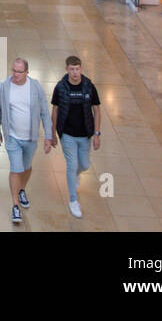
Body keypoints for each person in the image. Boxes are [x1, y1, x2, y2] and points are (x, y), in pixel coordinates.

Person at [0, 58, 54, 224]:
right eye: (13, 70)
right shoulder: (5, 87)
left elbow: (45, 113)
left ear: (27, 72)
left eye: (19, 72)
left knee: (26, 168)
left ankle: (21, 190)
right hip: (12, 138)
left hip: (31, 138)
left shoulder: (35, 87)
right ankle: (15, 206)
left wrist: (49, 136)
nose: (15, 74)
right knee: (16, 169)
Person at [51, 55, 102, 218]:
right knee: (71, 165)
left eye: (77, 69)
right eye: (72, 69)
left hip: (85, 134)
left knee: (85, 165)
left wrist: (96, 133)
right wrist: (52, 133)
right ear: (67, 69)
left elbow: (97, 110)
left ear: (81, 69)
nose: (75, 73)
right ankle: (73, 200)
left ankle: (75, 176)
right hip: (67, 135)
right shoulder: (60, 87)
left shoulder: (88, 86)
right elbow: (56, 110)